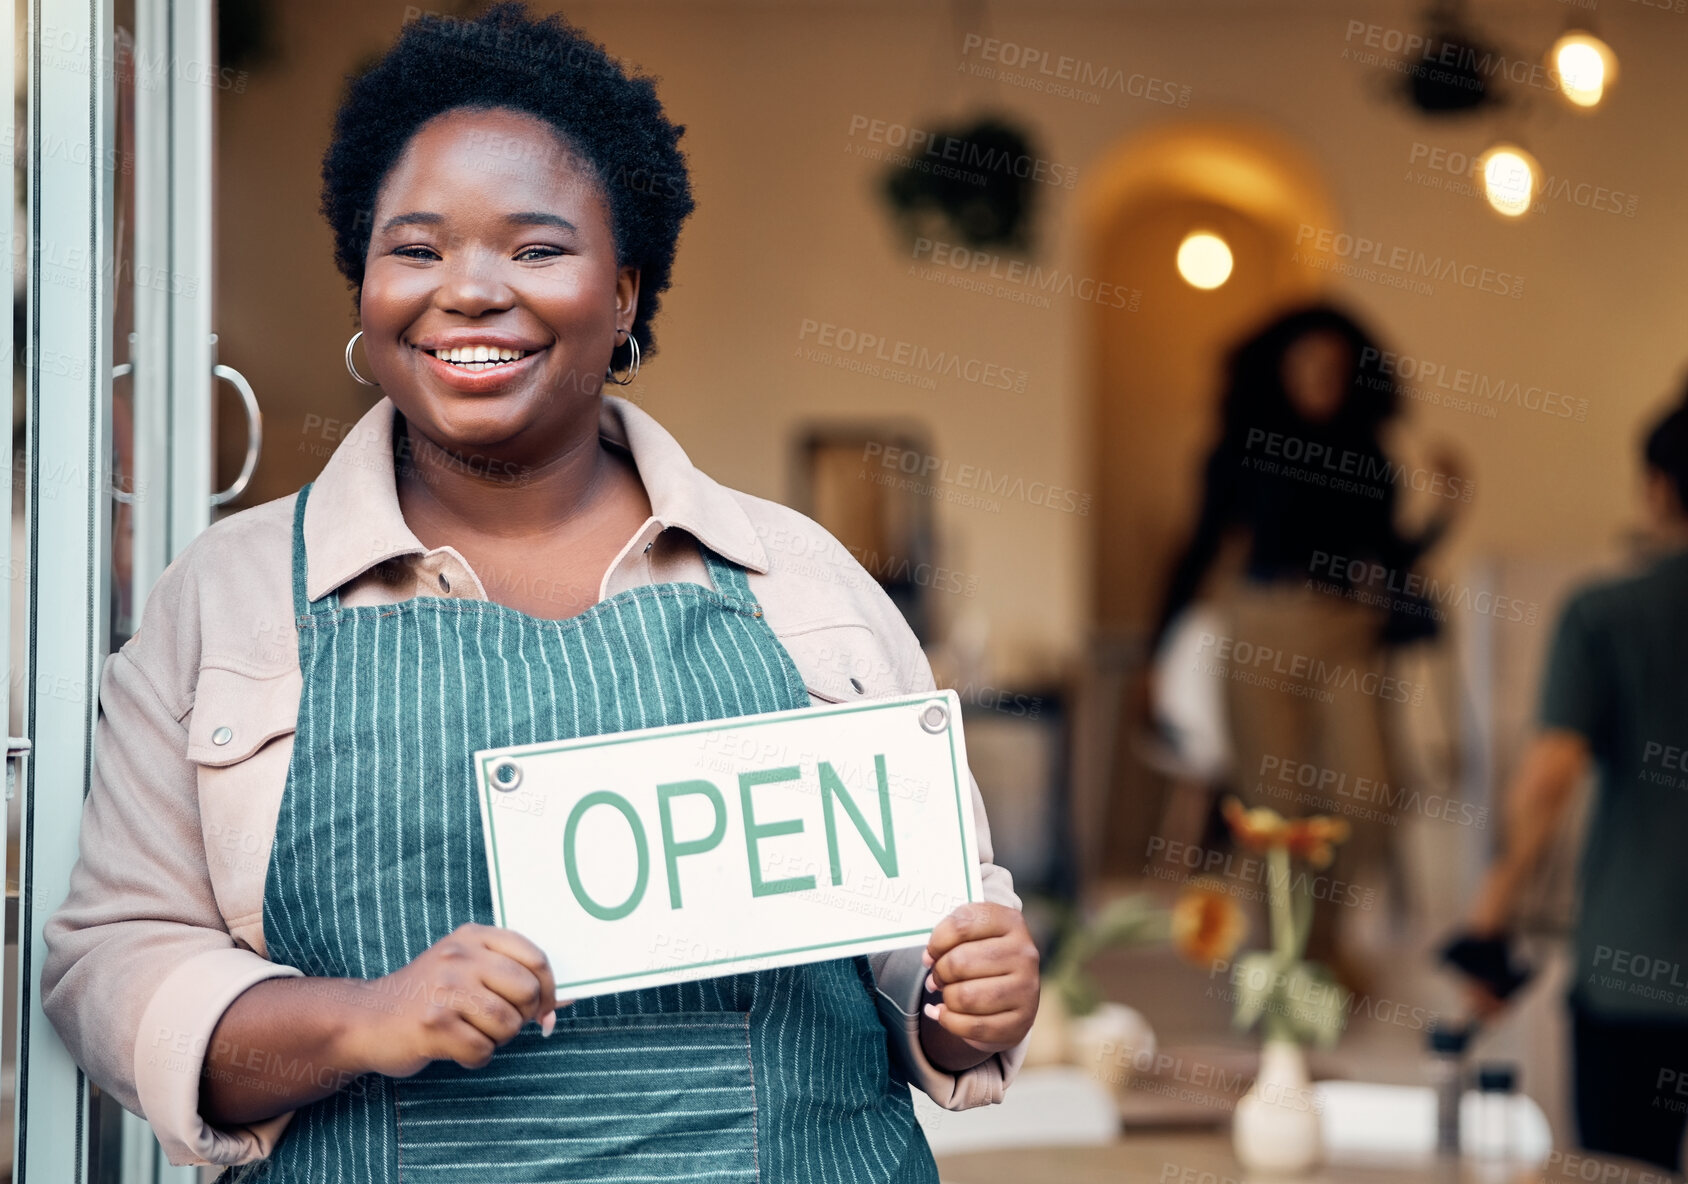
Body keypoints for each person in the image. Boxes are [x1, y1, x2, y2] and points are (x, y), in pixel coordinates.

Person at [40, 7, 1038, 1178]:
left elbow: (928, 941)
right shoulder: (231, 597)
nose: (468, 290)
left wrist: (964, 997)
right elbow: (110, 964)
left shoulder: (800, 580)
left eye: (535, 248)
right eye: (414, 249)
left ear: (622, 295)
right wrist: (362, 1018)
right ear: (363, 285)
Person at [1149, 304, 1465, 984]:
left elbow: (1394, 558)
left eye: (1334, 367)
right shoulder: (1240, 448)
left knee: (1369, 792)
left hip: (1347, 632)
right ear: (1281, 371)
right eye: (1307, 365)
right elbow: (1199, 546)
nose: (1322, 378)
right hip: (1262, 627)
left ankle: (1325, 943)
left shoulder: (1370, 456)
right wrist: (1156, 650)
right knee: (1275, 807)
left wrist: (1443, 512)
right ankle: (1286, 963)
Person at [1452, 398, 1688, 1173]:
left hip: (1636, 978)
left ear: (1657, 487)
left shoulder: (1606, 614)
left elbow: (1550, 779)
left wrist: (1487, 928)